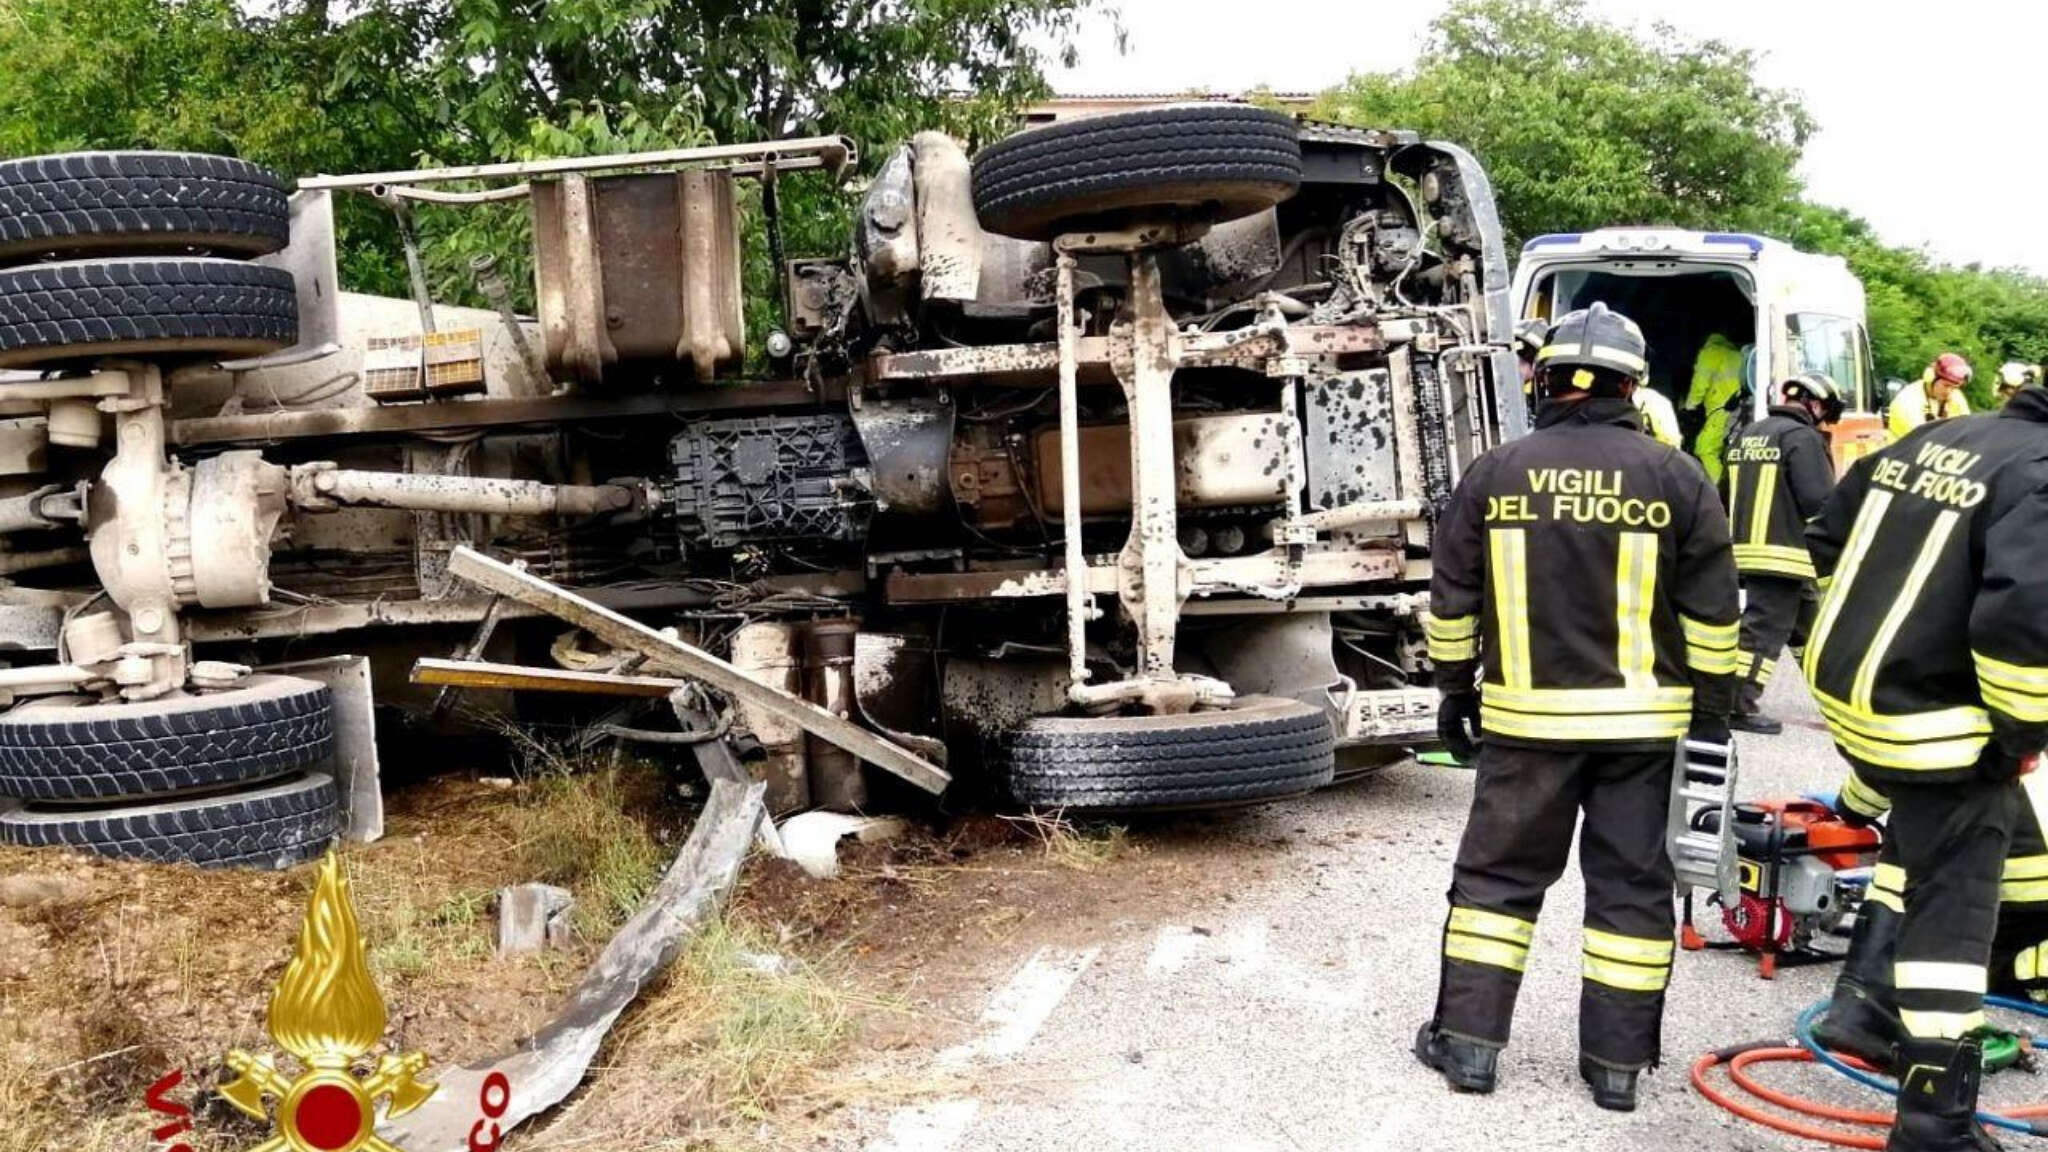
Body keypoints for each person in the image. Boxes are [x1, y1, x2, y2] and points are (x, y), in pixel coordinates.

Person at [1416, 303, 1740, 1112]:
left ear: (1544, 379)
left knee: (1497, 882)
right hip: (1646, 732)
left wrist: (1455, 690)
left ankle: (1469, 1049)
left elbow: (1452, 603)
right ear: (1635, 386)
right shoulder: (1676, 476)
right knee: (1632, 889)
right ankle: (1616, 1070)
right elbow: (1714, 616)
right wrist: (1713, 710)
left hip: (1526, 729)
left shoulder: (1496, 471)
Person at [1798, 375, 2048, 1150]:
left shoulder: (1941, 438)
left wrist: (1874, 640)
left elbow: (1826, 541)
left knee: (1966, 839)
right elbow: (2020, 624)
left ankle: (1866, 1003)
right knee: (1956, 907)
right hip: (1939, 725)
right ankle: (1935, 1121)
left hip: (1858, 697)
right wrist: (2017, 737)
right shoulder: (2042, 475)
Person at [1721, 373, 1842, 733]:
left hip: (1748, 551)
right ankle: (1736, 704)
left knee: (1810, 632)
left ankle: (1839, 700)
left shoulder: (1748, 433)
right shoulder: (1802, 438)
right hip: (1785, 555)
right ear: (1816, 405)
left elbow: (1723, 492)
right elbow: (1819, 502)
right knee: (1763, 633)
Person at [1683, 331, 1747, 483]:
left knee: (1704, 447)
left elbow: (1700, 384)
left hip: (1722, 410)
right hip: (1742, 410)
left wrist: (1689, 406)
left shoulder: (1709, 353)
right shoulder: (1737, 355)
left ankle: (1722, 490)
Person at [1887, 353, 1972, 440]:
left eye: (1954, 388)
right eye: (1946, 386)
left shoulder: (1955, 396)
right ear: (1930, 377)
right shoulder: (1907, 402)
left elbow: (1967, 429)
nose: (1949, 392)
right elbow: (1923, 440)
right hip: (1904, 450)